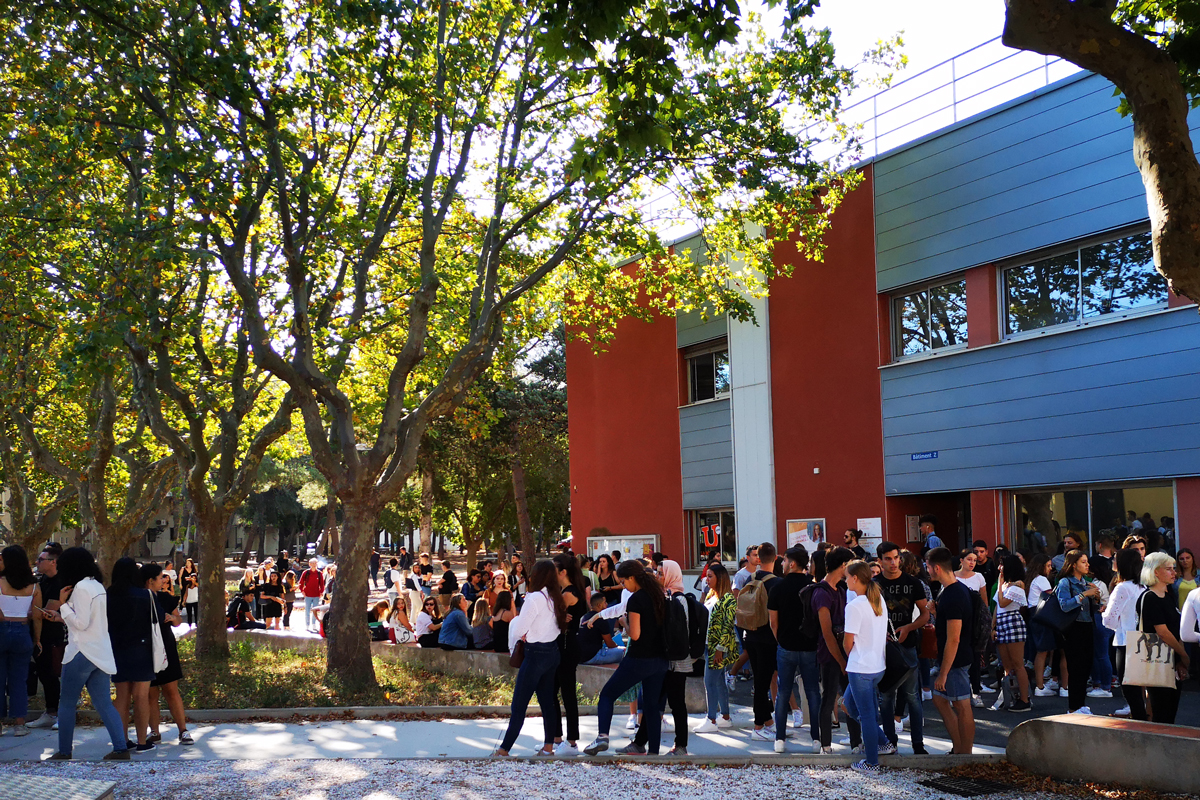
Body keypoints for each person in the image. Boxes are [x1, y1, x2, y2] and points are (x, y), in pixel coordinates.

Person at [43, 548, 129, 760]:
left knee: (66, 703)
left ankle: (64, 751)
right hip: (99, 652)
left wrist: (62, 606)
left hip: (81, 651)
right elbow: (88, 620)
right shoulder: (96, 585)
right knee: (104, 703)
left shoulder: (80, 587)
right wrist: (62, 614)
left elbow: (80, 624)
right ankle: (121, 748)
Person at [583, 559, 668, 757]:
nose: (623, 586)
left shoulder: (636, 599)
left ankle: (602, 736)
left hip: (639, 657)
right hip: (660, 659)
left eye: (623, 582)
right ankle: (653, 753)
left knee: (607, 695)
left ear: (632, 577)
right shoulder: (658, 595)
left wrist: (624, 623)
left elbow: (635, 635)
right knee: (652, 706)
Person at [494, 559, 566, 757]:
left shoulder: (534, 598)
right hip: (552, 652)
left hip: (535, 654)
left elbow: (518, 628)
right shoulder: (555, 597)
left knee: (519, 704)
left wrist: (522, 635)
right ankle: (548, 747)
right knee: (547, 703)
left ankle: (504, 749)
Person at [628, 559, 691, 756]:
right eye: (657, 572)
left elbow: (680, 632)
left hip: (677, 661)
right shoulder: (664, 596)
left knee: (676, 702)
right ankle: (640, 742)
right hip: (664, 659)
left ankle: (681, 745)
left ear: (671, 575)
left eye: (661, 573)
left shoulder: (679, 599)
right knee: (652, 701)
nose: (657, 576)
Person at [875, 541, 931, 754]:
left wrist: (909, 627)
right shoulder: (874, 584)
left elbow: (925, 613)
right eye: (888, 559)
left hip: (907, 646)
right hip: (884, 648)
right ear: (879, 561)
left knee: (912, 697)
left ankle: (918, 743)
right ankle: (890, 741)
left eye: (896, 557)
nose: (893, 562)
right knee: (886, 697)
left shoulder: (914, 583)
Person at [842, 559, 895, 773]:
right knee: (850, 704)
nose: (845, 581)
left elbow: (848, 642)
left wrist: (852, 656)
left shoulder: (854, 605)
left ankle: (872, 762)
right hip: (876, 666)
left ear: (855, 578)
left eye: (847, 577)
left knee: (865, 714)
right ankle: (883, 743)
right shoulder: (877, 599)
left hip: (861, 668)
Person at [1127, 553, 1191, 724]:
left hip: (1170, 660)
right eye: (1168, 569)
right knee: (1162, 712)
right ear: (1156, 572)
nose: (1173, 572)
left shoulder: (1168, 597)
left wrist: (1179, 658)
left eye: (1173, 569)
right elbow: (1162, 632)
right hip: (1157, 661)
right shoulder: (1149, 598)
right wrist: (1183, 654)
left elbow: (1175, 630)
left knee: (1170, 712)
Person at [926, 546, 975, 755]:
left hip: (955, 658)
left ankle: (965, 753)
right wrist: (937, 614)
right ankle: (959, 749)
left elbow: (953, 638)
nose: (927, 571)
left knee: (961, 705)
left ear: (936, 568)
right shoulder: (952, 590)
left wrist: (944, 672)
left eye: (928, 567)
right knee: (941, 700)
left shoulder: (953, 594)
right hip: (953, 656)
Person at [768, 546, 818, 751]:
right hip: (809, 646)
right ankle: (817, 738)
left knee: (783, 692)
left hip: (786, 645)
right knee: (813, 692)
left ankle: (780, 739)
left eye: (784, 560)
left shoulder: (778, 587)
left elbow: (773, 622)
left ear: (792, 563)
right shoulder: (814, 587)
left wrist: (780, 640)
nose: (781, 563)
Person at [140, 563, 193, 746]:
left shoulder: (166, 598)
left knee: (171, 690)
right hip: (146, 648)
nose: (164, 579)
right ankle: (154, 732)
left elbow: (178, 620)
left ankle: (183, 730)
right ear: (150, 580)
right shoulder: (139, 598)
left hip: (166, 646)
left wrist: (172, 619)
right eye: (160, 577)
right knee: (150, 694)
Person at [108, 557, 156, 752]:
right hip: (142, 648)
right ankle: (143, 741)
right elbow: (155, 619)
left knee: (122, 697)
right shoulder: (145, 595)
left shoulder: (109, 595)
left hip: (117, 648)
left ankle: (122, 741)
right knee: (141, 696)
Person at [812, 546, 853, 753]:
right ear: (844, 565)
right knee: (829, 698)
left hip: (846, 652)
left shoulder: (843, 589)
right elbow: (827, 633)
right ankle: (826, 745)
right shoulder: (821, 592)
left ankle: (857, 743)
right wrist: (841, 661)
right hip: (830, 655)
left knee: (851, 698)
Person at [0, 545, 42, 737]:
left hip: (2, 630)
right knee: (19, 680)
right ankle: (19, 723)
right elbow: (37, 616)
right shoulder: (34, 586)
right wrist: (38, 639)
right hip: (23, 631)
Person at [548, 552, 587, 755]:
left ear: (562, 572)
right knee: (552, 691)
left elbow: (550, 615)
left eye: (554, 569)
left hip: (567, 645)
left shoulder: (569, 593)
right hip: (563, 644)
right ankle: (557, 738)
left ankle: (571, 741)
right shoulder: (565, 590)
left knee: (567, 693)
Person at [741, 541, 780, 740]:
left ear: (759, 558)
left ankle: (768, 722)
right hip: (767, 638)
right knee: (763, 683)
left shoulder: (751, 577)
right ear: (775, 558)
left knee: (760, 680)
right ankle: (758, 727)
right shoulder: (775, 583)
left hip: (750, 634)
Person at [1055, 549, 1100, 713]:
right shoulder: (1065, 583)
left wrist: (1095, 597)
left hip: (1087, 625)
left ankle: (1081, 704)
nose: (1087, 565)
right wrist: (1084, 595)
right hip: (1072, 628)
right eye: (1083, 562)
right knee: (1075, 667)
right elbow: (1065, 605)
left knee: (1086, 666)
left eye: (1087, 561)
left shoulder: (1085, 583)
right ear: (1073, 565)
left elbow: (1092, 608)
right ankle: (1074, 707)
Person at [1103, 548, 1145, 718]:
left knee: (1129, 690)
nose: (1113, 561)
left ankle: (1139, 725)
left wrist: (1104, 613)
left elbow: (1109, 620)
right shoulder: (1142, 586)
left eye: (1115, 559)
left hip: (1124, 641)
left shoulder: (1122, 588)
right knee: (1140, 690)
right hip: (1141, 640)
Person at [27, 543, 64, 731]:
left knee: (53, 674)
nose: (37, 562)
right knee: (44, 673)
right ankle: (50, 712)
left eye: (41, 560)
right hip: (40, 635)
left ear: (53, 562)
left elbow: (47, 611)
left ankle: (58, 713)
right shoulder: (41, 581)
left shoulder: (62, 582)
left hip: (57, 637)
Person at [694, 562, 736, 732]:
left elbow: (727, 626)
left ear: (720, 578)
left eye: (710, 576)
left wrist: (720, 648)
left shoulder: (728, 598)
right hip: (708, 644)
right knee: (718, 682)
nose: (706, 579)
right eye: (707, 576)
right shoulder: (712, 595)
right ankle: (725, 716)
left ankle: (711, 719)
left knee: (709, 682)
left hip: (718, 647)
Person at [991, 554, 1031, 712]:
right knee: (1006, 665)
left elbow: (1003, 602)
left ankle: (1025, 699)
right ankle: (1009, 696)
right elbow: (996, 606)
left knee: (1018, 664)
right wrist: (992, 627)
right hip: (1001, 622)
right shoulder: (1006, 584)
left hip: (1013, 622)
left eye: (1002, 565)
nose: (999, 568)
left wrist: (1000, 584)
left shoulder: (1017, 585)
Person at [955, 548, 989, 705]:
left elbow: (984, 603)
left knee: (975, 658)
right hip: (956, 621)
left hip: (974, 624)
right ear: (961, 560)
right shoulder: (953, 576)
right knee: (955, 658)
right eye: (969, 559)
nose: (972, 563)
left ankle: (976, 693)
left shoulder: (979, 577)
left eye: (974, 560)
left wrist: (986, 624)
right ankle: (955, 692)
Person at [1024, 554, 1058, 698]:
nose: (1050, 568)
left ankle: (1038, 684)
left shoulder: (1031, 579)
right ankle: (1040, 685)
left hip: (1033, 614)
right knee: (1042, 651)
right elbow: (1051, 596)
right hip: (1041, 615)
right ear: (1042, 566)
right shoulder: (1042, 579)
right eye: (1048, 565)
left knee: (1039, 651)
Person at [579, 593, 625, 665]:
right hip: (593, 656)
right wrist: (618, 647)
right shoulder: (601, 619)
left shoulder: (584, 617)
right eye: (605, 602)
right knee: (626, 652)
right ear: (599, 605)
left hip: (581, 657)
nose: (607, 604)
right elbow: (609, 643)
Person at [299, 558, 325, 631]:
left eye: (315, 563)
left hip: (316, 594)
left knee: (315, 610)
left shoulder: (319, 573)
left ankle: (314, 624)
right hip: (307, 594)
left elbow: (322, 584)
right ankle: (307, 624)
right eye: (312, 563)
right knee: (307, 610)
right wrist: (302, 591)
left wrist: (321, 592)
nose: (313, 565)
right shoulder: (306, 572)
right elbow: (301, 582)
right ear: (309, 564)